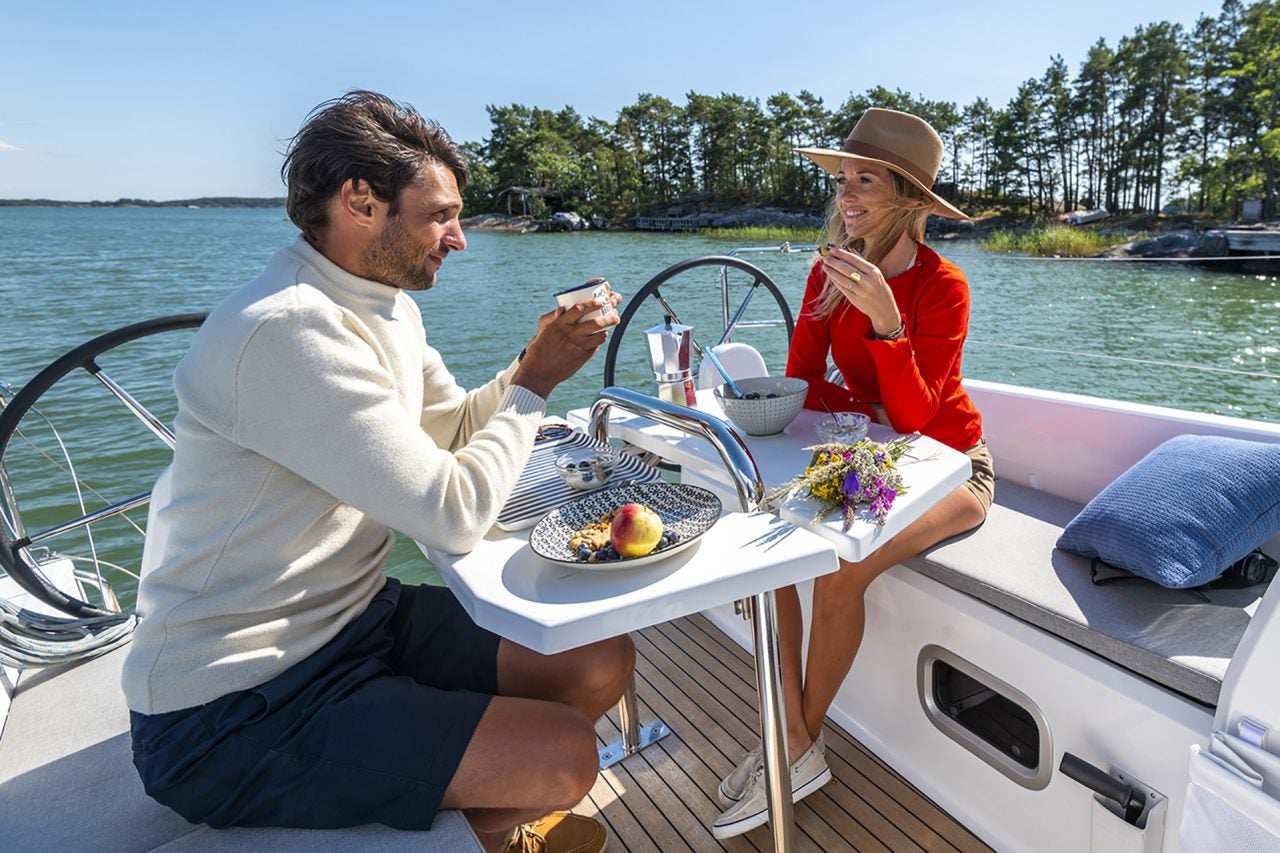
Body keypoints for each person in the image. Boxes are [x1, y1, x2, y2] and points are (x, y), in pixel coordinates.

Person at [122, 91, 634, 853]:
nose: (459, 239)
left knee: (599, 657)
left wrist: (534, 359)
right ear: (359, 200)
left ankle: (472, 824)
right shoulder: (286, 328)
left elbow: (454, 431)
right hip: (233, 702)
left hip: (352, 617)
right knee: (566, 758)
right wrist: (537, 385)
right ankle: (479, 838)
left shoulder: (383, 303)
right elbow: (452, 509)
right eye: (439, 216)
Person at [711, 108, 996, 839]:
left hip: (953, 468)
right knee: (769, 557)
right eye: (842, 181)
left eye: (863, 180)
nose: (845, 196)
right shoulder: (826, 272)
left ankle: (793, 745)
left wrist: (888, 327)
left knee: (839, 566)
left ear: (905, 193)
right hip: (864, 459)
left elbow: (915, 420)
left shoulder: (943, 287)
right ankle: (796, 741)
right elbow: (803, 381)